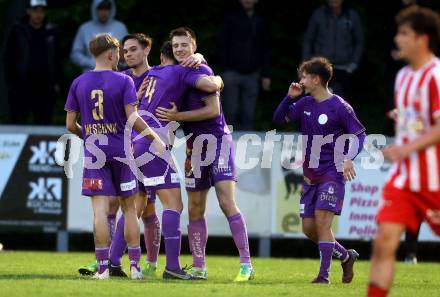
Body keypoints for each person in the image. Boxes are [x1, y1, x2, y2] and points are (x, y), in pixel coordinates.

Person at [156, 27, 254, 282]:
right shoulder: (175, 75)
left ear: (193, 46)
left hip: (217, 142)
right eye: (175, 45)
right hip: (193, 147)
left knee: (226, 202)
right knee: (195, 209)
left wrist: (178, 117)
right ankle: (200, 266)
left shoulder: (201, 70)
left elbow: (212, 110)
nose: (179, 49)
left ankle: (246, 264)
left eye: (184, 45)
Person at [64, 34, 165, 279]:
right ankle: (135, 267)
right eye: (119, 53)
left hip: (95, 153)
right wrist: (155, 138)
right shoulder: (123, 81)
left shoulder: (78, 82)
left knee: (99, 210)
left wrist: (88, 135)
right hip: (122, 151)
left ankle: (102, 269)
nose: (120, 57)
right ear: (111, 54)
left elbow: (69, 125)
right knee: (129, 209)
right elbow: (133, 117)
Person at [135, 40, 223, 280]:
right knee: (174, 205)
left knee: (135, 207)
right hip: (153, 143)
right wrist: (213, 73)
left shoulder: (152, 73)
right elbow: (210, 84)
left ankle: (114, 262)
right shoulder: (182, 71)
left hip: (133, 141)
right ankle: (172, 266)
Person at [367, 6, 440, 297]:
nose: (397, 39)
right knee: (384, 240)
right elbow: (422, 121)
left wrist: (406, 146)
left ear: (422, 39)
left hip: (435, 179)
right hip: (405, 179)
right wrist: (406, 121)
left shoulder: (436, 75)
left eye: (404, 33)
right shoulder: (403, 78)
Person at [273, 57, 366, 284]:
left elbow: (359, 135)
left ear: (315, 79)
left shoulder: (340, 106)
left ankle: (323, 276)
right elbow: (278, 119)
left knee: (323, 224)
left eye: (303, 76)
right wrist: (289, 98)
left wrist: (348, 158)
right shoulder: (304, 104)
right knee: (309, 229)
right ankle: (345, 256)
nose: (300, 80)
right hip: (310, 175)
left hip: (332, 173)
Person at [4, 0, 61, 125]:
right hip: (21, 86)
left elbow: (57, 59)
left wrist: (56, 82)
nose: (38, 14)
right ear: (28, 11)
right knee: (18, 122)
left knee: (44, 123)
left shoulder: (52, 31)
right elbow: (9, 59)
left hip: (45, 86)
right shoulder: (18, 30)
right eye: (35, 11)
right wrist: (12, 83)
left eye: (42, 11)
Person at [218, 0, 271, 131]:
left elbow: (266, 49)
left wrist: (266, 74)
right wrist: (225, 69)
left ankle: (246, 145)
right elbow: (222, 45)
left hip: (253, 73)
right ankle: (227, 144)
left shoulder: (260, 21)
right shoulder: (230, 20)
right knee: (230, 111)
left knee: (249, 113)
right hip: (231, 73)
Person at [302, 0, 364, 100]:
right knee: (317, 102)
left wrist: (353, 63)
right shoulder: (318, 15)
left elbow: (359, 41)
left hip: (344, 69)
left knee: (343, 105)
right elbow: (308, 40)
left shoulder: (352, 16)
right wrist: (306, 64)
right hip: (320, 68)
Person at [71, 0, 128, 71]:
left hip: (116, 74)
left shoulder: (120, 27)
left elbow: (126, 52)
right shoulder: (84, 28)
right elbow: (75, 54)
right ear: (94, 9)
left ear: (112, 9)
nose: (104, 12)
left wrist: (121, 63)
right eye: (100, 9)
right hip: (91, 74)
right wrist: (91, 63)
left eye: (107, 8)